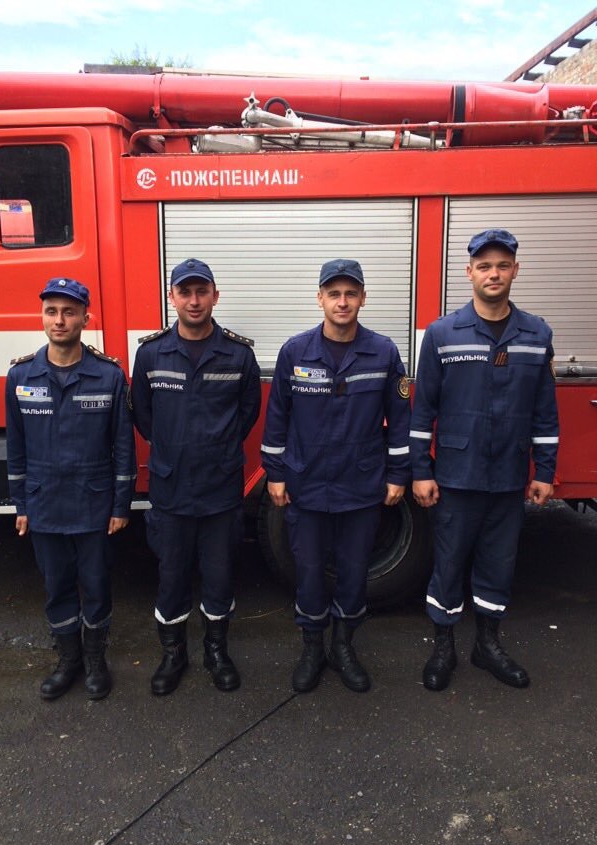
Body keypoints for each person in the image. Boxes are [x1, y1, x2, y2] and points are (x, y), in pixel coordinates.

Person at [411, 229, 559, 691]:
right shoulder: (442, 333)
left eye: (502, 265)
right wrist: (420, 471)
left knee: (499, 564)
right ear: (469, 272)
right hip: (456, 476)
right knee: (449, 564)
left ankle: (487, 645)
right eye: (484, 266)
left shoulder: (537, 334)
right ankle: (443, 646)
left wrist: (545, 470)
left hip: (509, 475)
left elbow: (545, 410)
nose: (493, 274)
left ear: (515, 270)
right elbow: (422, 410)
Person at [261, 259, 411, 693]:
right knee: (308, 571)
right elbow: (278, 417)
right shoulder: (296, 352)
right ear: (320, 299)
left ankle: (344, 646)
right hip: (306, 485)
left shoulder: (383, 352)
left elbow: (400, 419)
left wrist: (398, 473)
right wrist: (275, 473)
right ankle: (312, 647)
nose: (342, 302)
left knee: (354, 571)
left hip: (360, 486)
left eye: (350, 293)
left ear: (362, 298)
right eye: (334, 294)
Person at [131, 258, 261, 696]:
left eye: (201, 291)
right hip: (171, 488)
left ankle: (216, 652)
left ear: (215, 296)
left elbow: (247, 413)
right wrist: (175, 448)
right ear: (172, 297)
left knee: (219, 576)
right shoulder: (151, 353)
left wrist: (216, 450)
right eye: (184, 292)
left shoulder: (239, 355)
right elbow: (143, 415)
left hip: (221, 489)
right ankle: (173, 655)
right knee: (171, 577)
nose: (193, 300)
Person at [5, 277, 136, 701]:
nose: (59, 320)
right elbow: (16, 448)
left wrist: (121, 505)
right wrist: (21, 505)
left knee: (96, 585)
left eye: (69, 312)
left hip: (93, 504)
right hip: (44, 504)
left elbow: (123, 447)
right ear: (42, 317)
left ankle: (96, 660)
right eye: (52, 312)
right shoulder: (21, 376)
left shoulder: (108, 375)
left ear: (85, 318)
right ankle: (68, 661)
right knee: (57, 586)